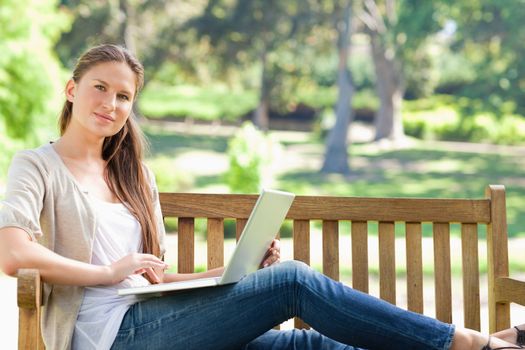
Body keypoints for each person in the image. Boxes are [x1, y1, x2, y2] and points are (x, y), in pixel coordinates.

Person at [0, 44, 522, 350]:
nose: (111, 104)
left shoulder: (135, 175)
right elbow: (12, 252)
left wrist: (235, 273)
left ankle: (484, 348)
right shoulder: (37, 165)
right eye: (100, 88)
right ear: (72, 89)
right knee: (293, 280)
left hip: (160, 319)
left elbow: (154, 280)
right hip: (110, 336)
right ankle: (469, 342)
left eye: (123, 96)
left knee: (308, 344)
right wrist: (107, 272)